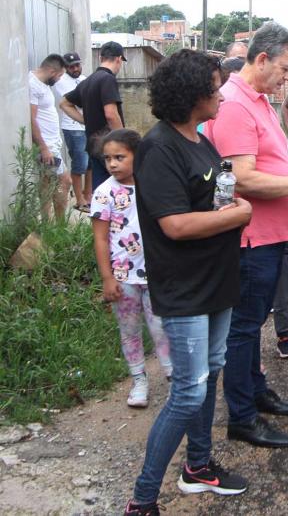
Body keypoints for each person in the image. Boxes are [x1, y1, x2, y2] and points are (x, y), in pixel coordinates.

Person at [124, 49, 252, 516]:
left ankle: (198, 467)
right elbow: (174, 225)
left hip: (217, 279)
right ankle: (142, 500)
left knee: (209, 371)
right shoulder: (159, 148)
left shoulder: (200, 140)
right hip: (185, 288)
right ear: (192, 94)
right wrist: (238, 215)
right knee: (188, 392)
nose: (220, 94)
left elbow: (218, 195)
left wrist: (232, 208)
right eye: (214, 87)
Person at [206, 22, 288, 449]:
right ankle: (242, 416)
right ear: (261, 59)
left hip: (269, 236)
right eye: (284, 69)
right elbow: (242, 179)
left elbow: (272, 162)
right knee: (243, 328)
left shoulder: (258, 99)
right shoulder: (232, 105)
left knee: (254, 322)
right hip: (250, 239)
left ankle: (257, 391)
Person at [90, 128, 171, 408]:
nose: (112, 164)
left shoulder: (154, 184)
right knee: (130, 330)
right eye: (107, 158)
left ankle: (174, 377)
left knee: (162, 328)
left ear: (138, 156)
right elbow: (100, 238)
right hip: (123, 278)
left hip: (157, 273)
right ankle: (139, 380)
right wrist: (106, 278)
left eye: (120, 157)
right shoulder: (104, 193)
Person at [61, 41, 126, 192]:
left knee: (101, 192)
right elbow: (111, 114)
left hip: (94, 145)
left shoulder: (88, 80)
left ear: (101, 58)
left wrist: (86, 121)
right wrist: (124, 141)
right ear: (119, 59)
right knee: (120, 192)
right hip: (111, 147)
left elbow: (64, 103)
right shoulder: (107, 79)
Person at [29, 53, 70, 219]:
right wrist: (44, 148)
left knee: (47, 185)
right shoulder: (33, 84)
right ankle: (59, 226)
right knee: (63, 182)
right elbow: (30, 118)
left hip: (51, 145)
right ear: (52, 71)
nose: (59, 79)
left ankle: (50, 226)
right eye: (60, 75)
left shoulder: (42, 83)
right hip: (47, 147)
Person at [53, 52, 90, 211]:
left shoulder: (83, 79)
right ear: (65, 68)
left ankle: (88, 195)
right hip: (73, 128)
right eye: (71, 66)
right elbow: (79, 103)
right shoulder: (62, 82)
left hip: (87, 126)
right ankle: (79, 200)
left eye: (77, 65)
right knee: (80, 163)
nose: (75, 68)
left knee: (91, 163)